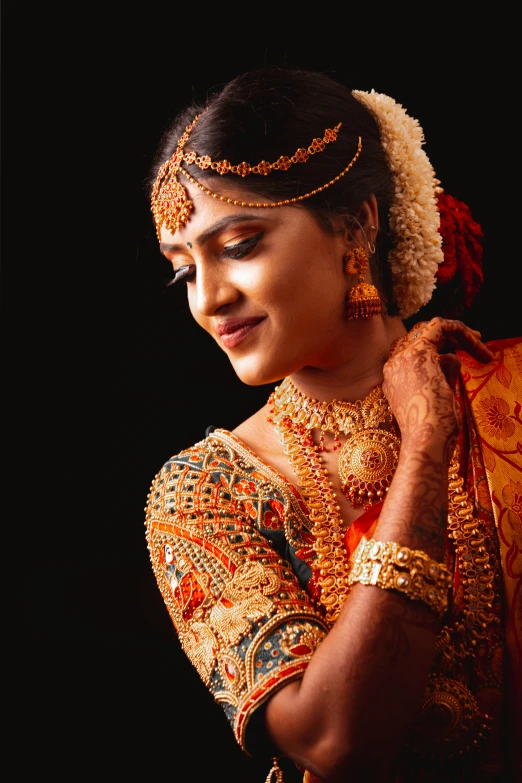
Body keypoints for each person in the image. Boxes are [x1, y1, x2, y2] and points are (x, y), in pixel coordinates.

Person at [143, 66, 521, 782]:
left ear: (358, 221)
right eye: (184, 269)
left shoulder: (508, 397)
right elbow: (335, 745)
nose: (209, 298)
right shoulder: (202, 495)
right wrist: (424, 448)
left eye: (240, 244)